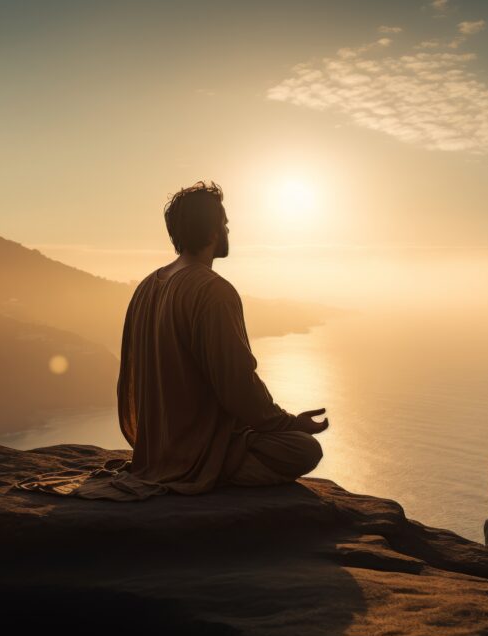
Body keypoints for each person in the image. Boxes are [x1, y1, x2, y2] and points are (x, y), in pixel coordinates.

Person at [115, 180, 329, 494]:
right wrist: (289, 423)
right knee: (304, 449)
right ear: (214, 231)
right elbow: (236, 383)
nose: (228, 231)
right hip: (198, 449)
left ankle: (188, 461)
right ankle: (209, 470)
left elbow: (129, 380)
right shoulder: (212, 290)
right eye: (225, 224)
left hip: (156, 447)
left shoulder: (148, 286)